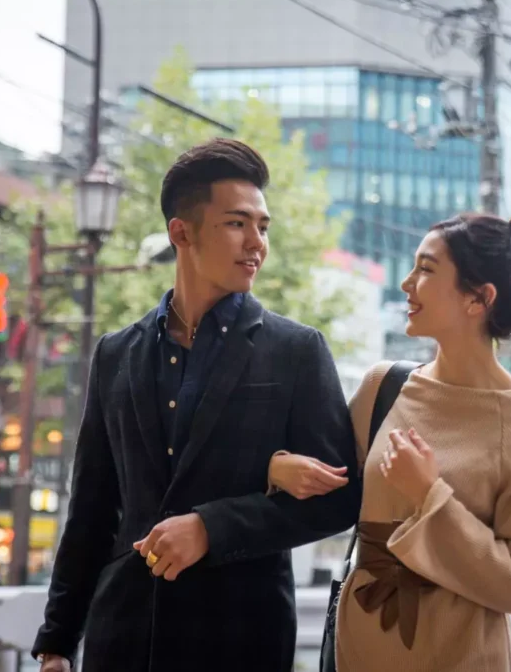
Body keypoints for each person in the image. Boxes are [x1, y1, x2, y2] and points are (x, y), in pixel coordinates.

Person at [31, 139, 361, 672]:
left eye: (263, 226)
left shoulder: (296, 350)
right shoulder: (116, 354)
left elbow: (339, 500)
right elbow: (92, 507)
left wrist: (211, 527)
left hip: (239, 637)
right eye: (237, 223)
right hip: (124, 638)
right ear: (181, 233)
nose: (256, 242)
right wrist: (57, 641)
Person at [270, 212, 511, 671]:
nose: (407, 283)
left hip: (463, 653)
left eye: (426, 269)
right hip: (364, 643)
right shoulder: (383, 387)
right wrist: (276, 468)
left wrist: (430, 497)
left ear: (478, 298)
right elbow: (329, 500)